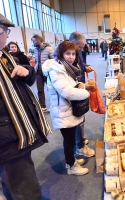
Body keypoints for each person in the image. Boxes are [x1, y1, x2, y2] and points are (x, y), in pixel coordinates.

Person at [0, 6, 51, 199]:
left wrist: (27, 72)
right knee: (27, 192)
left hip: (12, 137)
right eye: (6, 31)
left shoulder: (1, 56)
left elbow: (23, 79)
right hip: (4, 143)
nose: (7, 36)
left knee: (12, 189)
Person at [42, 41, 90, 175]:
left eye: (73, 54)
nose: (71, 57)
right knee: (68, 140)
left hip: (67, 110)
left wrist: (79, 84)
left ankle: (72, 160)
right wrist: (86, 93)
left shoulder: (66, 67)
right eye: (67, 53)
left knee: (71, 138)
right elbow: (67, 92)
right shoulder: (56, 70)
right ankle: (71, 166)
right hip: (62, 111)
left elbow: (69, 85)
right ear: (61, 54)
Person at [69, 31, 95, 157]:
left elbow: (80, 66)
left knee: (81, 117)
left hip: (80, 88)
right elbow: (71, 78)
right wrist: (84, 86)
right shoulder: (68, 56)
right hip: (75, 91)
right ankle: (79, 146)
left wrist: (86, 67)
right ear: (73, 43)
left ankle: (80, 141)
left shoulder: (76, 53)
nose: (82, 49)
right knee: (78, 118)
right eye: (80, 46)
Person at [31, 34, 54, 113]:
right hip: (38, 72)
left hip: (47, 73)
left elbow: (53, 60)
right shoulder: (35, 49)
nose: (33, 42)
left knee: (50, 90)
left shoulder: (49, 49)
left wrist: (49, 69)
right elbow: (36, 61)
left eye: (34, 41)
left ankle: (53, 106)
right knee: (40, 90)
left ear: (38, 40)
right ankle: (42, 106)